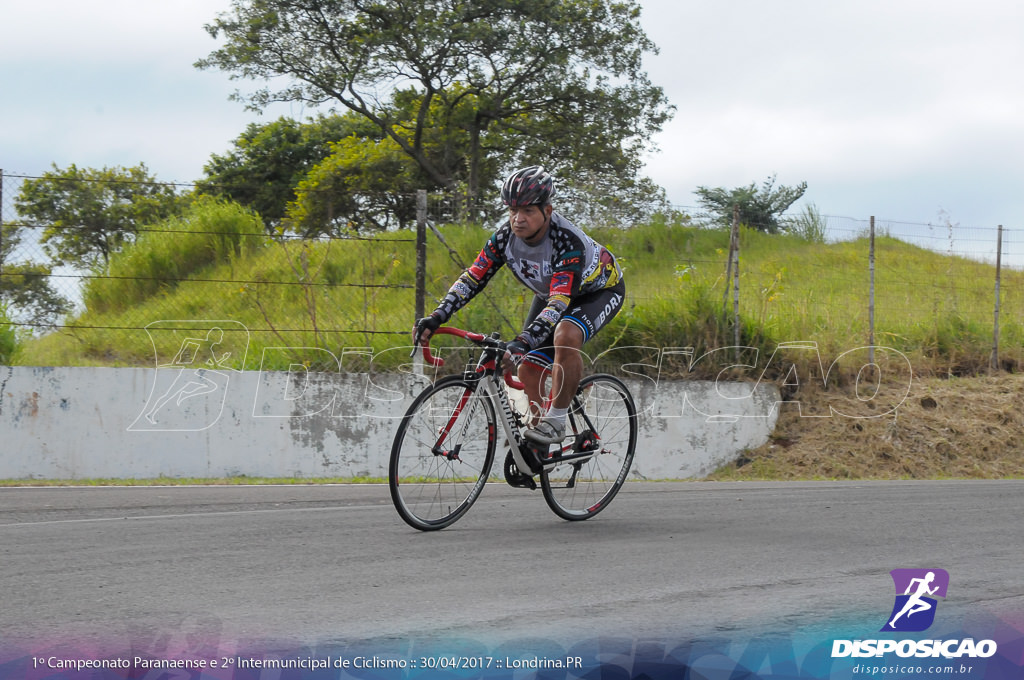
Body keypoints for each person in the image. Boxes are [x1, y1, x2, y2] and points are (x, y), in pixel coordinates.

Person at [412, 166, 626, 445]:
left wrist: (522, 341)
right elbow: (473, 278)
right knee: (527, 368)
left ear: (547, 211)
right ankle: (538, 442)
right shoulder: (504, 238)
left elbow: (560, 303)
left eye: (527, 211)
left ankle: (557, 421)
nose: (518, 219)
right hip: (551, 292)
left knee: (566, 335)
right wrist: (437, 316)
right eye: (512, 210)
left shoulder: (567, 242)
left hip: (597, 292)